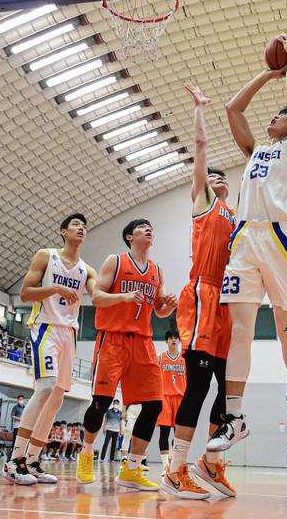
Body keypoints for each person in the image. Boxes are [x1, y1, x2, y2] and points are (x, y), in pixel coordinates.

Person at [208, 33, 287, 454]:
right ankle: (234, 418)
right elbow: (232, 109)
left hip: (280, 239)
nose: (275, 115)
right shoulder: (255, 151)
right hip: (245, 239)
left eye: (282, 115)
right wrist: (267, 73)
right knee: (241, 332)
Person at [162, 84, 235, 500]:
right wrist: (200, 110)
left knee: (227, 388)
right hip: (203, 296)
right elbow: (202, 148)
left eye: (224, 177)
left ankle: (211, 462)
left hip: (226, 302)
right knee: (198, 387)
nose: (218, 178)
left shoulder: (233, 215)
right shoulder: (203, 203)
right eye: (212, 176)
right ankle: (175, 470)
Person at [75, 218, 178, 489]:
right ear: (130, 237)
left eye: (151, 227)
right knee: (102, 401)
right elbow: (96, 296)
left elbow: (159, 310)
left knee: (154, 405)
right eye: (142, 227)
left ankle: (132, 468)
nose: (149, 229)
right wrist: (123, 296)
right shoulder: (116, 261)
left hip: (143, 342)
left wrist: (168, 306)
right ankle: (87, 452)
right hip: (113, 339)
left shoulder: (156, 270)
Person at [3, 214, 98, 485]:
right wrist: (55, 288)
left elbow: (98, 296)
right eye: (76, 224)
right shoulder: (46, 256)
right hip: (46, 327)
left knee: (56, 399)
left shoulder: (87, 270)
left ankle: (33, 461)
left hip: (69, 333)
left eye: (84, 226)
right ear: (63, 231)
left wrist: (125, 297)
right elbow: (25, 293)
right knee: (45, 388)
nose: (81, 228)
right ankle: (14, 461)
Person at [156, 330, 185, 472]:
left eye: (176, 338)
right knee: (164, 432)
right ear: (166, 341)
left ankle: (172, 459)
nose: (173, 340)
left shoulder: (185, 358)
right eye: (170, 338)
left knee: (179, 434)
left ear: (179, 341)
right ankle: (165, 466)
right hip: (165, 398)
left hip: (180, 398)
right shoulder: (160, 357)